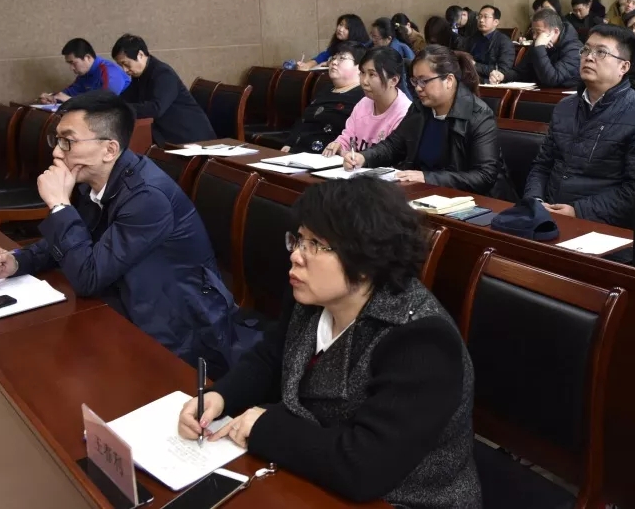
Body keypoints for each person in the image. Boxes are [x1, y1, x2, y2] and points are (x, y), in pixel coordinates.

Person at [181, 177, 481, 507]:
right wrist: (221, 396)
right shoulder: (312, 295)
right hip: (316, 470)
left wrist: (265, 428)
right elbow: (272, 357)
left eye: (315, 245)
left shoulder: (422, 341)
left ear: (365, 262)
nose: (296, 256)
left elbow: (365, 467)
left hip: (401, 498)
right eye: (298, 240)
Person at [0, 91, 238, 375]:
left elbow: (88, 277)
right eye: (57, 139)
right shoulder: (97, 180)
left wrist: (59, 206)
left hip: (178, 329)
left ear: (110, 150)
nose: (56, 152)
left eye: (68, 141)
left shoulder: (147, 198)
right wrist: (18, 261)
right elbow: (79, 237)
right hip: (129, 300)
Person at [523, 25, 635, 226]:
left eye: (601, 52)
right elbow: (542, 164)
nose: (589, 57)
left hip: (600, 224)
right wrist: (535, 200)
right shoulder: (564, 107)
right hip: (547, 214)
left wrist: (578, 212)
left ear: (624, 67)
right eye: (586, 50)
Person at [344, 46, 509, 198]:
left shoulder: (479, 116)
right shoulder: (420, 108)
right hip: (426, 194)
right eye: (415, 81)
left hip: (473, 201)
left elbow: (484, 176)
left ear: (449, 80)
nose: (418, 88)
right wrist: (363, 157)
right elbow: (393, 146)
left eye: (424, 81)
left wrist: (427, 177)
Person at [259, 43, 366, 153]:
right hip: (301, 152)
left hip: (330, 154)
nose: (334, 62)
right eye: (333, 58)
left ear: (360, 67)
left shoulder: (363, 96)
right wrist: (290, 143)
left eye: (342, 58)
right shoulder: (326, 89)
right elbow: (305, 120)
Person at [112, 34, 215, 146]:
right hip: (170, 137)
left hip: (192, 139)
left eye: (126, 64)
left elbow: (156, 108)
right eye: (121, 65)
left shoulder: (163, 74)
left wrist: (122, 109)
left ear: (140, 55)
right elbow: (125, 99)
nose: (124, 70)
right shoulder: (139, 76)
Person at [322, 47, 411, 157]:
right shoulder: (364, 103)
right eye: (362, 73)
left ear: (393, 80)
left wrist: (360, 159)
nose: (364, 81)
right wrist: (339, 145)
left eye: (372, 74)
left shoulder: (405, 114)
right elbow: (348, 137)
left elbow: (393, 157)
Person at [495, 8, 581, 88]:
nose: (534, 36)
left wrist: (540, 48)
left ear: (555, 31)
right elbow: (521, 72)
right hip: (540, 93)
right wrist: (503, 76)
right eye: (533, 32)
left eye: (539, 32)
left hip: (563, 95)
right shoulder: (539, 44)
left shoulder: (574, 49)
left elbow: (552, 79)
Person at [39, 38, 130, 103]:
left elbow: (105, 104)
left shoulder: (109, 72)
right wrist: (52, 98)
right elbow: (69, 93)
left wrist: (71, 101)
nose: (71, 68)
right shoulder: (84, 74)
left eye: (73, 63)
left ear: (88, 58)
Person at [457, 5, 514, 83]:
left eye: (485, 17)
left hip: (490, 82)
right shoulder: (472, 38)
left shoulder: (504, 42)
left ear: (496, 22)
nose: (481, 20)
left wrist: (475, 65)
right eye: (479, 17)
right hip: (469, 79)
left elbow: (503, 70)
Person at [297, 15, 370, 71]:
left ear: (355, 31)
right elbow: (323, 56)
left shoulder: (359, 48)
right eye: (340, 24)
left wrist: (328, 63)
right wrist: (307, 65)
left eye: (347, 28)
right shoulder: (338, 44)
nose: (340, 29)